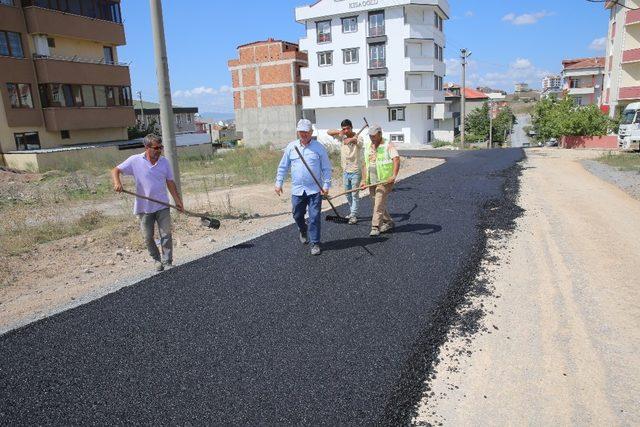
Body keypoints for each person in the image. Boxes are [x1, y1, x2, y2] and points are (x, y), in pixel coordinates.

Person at [111, 134, 184, 272]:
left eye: (160, 147)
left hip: (163, 205)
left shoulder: (164, 162)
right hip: (144, 207)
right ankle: (157, 260)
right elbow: (116, 170)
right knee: (147, 237)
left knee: (166, 234)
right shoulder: (135, 160)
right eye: (156, 148)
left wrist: (178, 201)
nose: (159, 150)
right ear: (147, 147)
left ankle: (167, 261)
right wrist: (117, 182)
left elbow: (170, 182)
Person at [275, 119, 332, 256]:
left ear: (311, 132)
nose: (303, 134)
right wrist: (279, 182)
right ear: (298, 132)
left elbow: (326, 168)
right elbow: (283, 166)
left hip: (315, 190)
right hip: (297, 190)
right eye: (301, 132)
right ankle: (303, 229)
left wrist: (326, 185)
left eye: (306, 132)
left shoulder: (319, 148)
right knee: (297, 215)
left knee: (314, 217)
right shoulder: (291, 147)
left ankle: (315, 243)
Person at [360, 124, 400, 237]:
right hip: (371, 180)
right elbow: (364, 164)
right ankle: (389, 222)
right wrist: (363, 180)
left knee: (378, 203)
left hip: (384, 180)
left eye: (374, 136)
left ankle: (376, 226)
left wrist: (394, 176)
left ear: (380, 134)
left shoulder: (388, 144)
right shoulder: (368, 146)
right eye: (370, 136)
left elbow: (396, 159)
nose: (372, 138)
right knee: (377, 203)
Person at [327, 119, 363, 225]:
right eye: (344, 129)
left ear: (351, 127)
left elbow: (359, 143)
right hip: (345, 170)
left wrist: (352, 140)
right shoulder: (341, 136)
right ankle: (352, 212)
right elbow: (329, 132)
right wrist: (339, 132)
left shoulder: (359, 137)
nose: (346, 130)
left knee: (354, 194)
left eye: (347, 128)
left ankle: (353, 215)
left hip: (356, 170)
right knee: (348, 194)